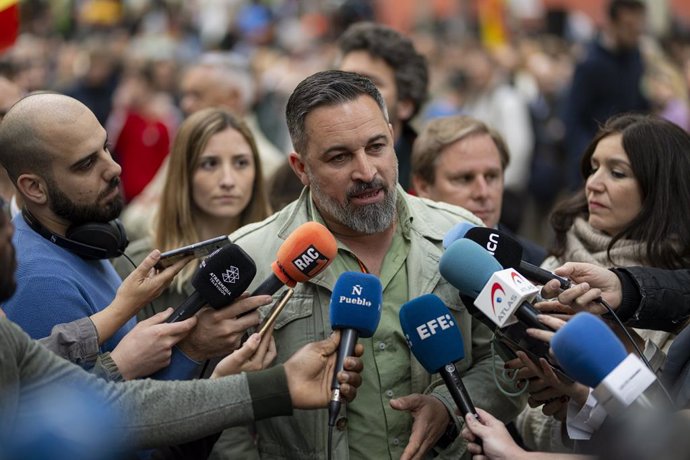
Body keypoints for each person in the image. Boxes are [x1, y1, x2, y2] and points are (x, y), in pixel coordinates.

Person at [228, 70, 524, 460]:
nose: (366, 172)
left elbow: (506, 360)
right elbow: (219, 406)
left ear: (393, 139)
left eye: (376, 147)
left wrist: (449, 408)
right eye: (339, 157)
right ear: (301, 168)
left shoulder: (461, 235)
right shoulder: (252, 256)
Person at [0, 194, 365, 456]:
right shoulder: (40, 281)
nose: (15, 245)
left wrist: (274, 385)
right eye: (4, 236)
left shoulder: (6, 338)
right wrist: (122, 362)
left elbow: (119, 408)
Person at [0, 93, 261, 382]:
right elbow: (109, 416)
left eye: (106, 147)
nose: (114, 168)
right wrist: (193, 350)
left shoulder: (82, 242)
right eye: (86, 164)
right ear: (34, 188)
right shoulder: (40, 281)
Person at [512, 113, 690, 452]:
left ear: (661, 188)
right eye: (593, 167)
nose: (593, 183)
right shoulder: (557, 266)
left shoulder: (679, 294)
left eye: (617, 172)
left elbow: (670, 430)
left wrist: (592, 398)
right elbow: (522, 413)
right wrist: (565, 416)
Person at [114, 107, 271, 322]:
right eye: (209, 164)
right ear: (183, 174)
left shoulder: (278, 258)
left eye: (241, 163)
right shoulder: (139, 266)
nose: (228, 180)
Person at [411, 114, 546, 265]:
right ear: (423, 186)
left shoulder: (540, 264)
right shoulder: (403, 264)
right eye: (464, 178)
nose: (483, 193)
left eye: (491, 176)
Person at [562, 0, 649, 191]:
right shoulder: (591, 63)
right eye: (629, 26)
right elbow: (573, 117)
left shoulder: (635, 57)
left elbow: (638, 105)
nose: (636, 33)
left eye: (639, 26)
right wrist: (587, 163)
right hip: (594, 163)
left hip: (629, 157)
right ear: (612, 23)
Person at [336, 21, 428, 191]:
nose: (350, 91)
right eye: (343, 80)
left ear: (405, 104)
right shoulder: (305, 174)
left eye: (369, 83)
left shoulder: (433, 174)